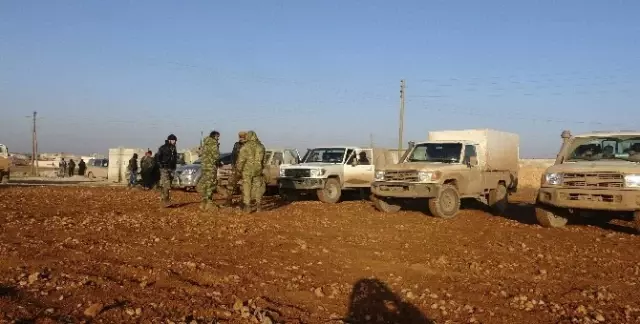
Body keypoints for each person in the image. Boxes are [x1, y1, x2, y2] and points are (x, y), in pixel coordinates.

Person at [236, 130, 266, 213]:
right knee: (258, 188)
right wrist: (261, 168)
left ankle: (247, 207)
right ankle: (258, 206)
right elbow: (264, 161)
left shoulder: (245, 147)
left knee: (247, 187)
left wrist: (239, 170)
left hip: (247, 171)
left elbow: (241, 161)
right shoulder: (261, 146)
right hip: (258, 170)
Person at [197, 131, 221, 211]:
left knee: (205, 184)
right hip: (211, 166)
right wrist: (219, 162)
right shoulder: (213, 143)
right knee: (211, 184)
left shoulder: (205, 144)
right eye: (218, 137)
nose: (218, 138)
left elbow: (200, 154)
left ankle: (204, 202)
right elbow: (216, 156)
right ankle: (209, 203)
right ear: (214, 136)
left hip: (204, 166)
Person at [223, 131, 247, 206]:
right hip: (236, 168)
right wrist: (233, 165)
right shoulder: (237, 145)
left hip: (246, 169)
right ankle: (228, 201)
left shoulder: (249, 146)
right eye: (240, 137)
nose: (241, 138)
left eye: (242, 137)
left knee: (245, 186)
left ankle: (243, 203)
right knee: (231, 184)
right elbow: (233, 156)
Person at [155, 134, 178, 207]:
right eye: (173, 140)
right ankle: (166, 200)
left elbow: (174, 159)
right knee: (167, 184)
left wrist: (174, 167)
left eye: (175, 141)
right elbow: (157, 157)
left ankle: (163, 197)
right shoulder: (163, 148)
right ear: (169, 140)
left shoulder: (174, 148)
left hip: (171, 169)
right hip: (164, 168)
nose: (174, 142)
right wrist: (160, 165)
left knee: (168, 185)